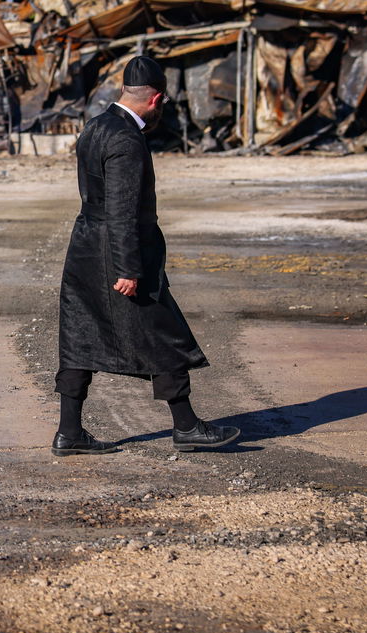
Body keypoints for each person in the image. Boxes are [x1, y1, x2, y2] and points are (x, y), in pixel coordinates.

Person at [51, 54, 239, 456]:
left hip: (85, 248)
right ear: (155, 100)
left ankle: (69, 432)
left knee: (80, 336)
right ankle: (186, 427)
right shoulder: (126, 138)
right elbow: (122, 209)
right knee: (163, 332)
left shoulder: (95, 126)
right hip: (119, 253)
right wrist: (128, 268)